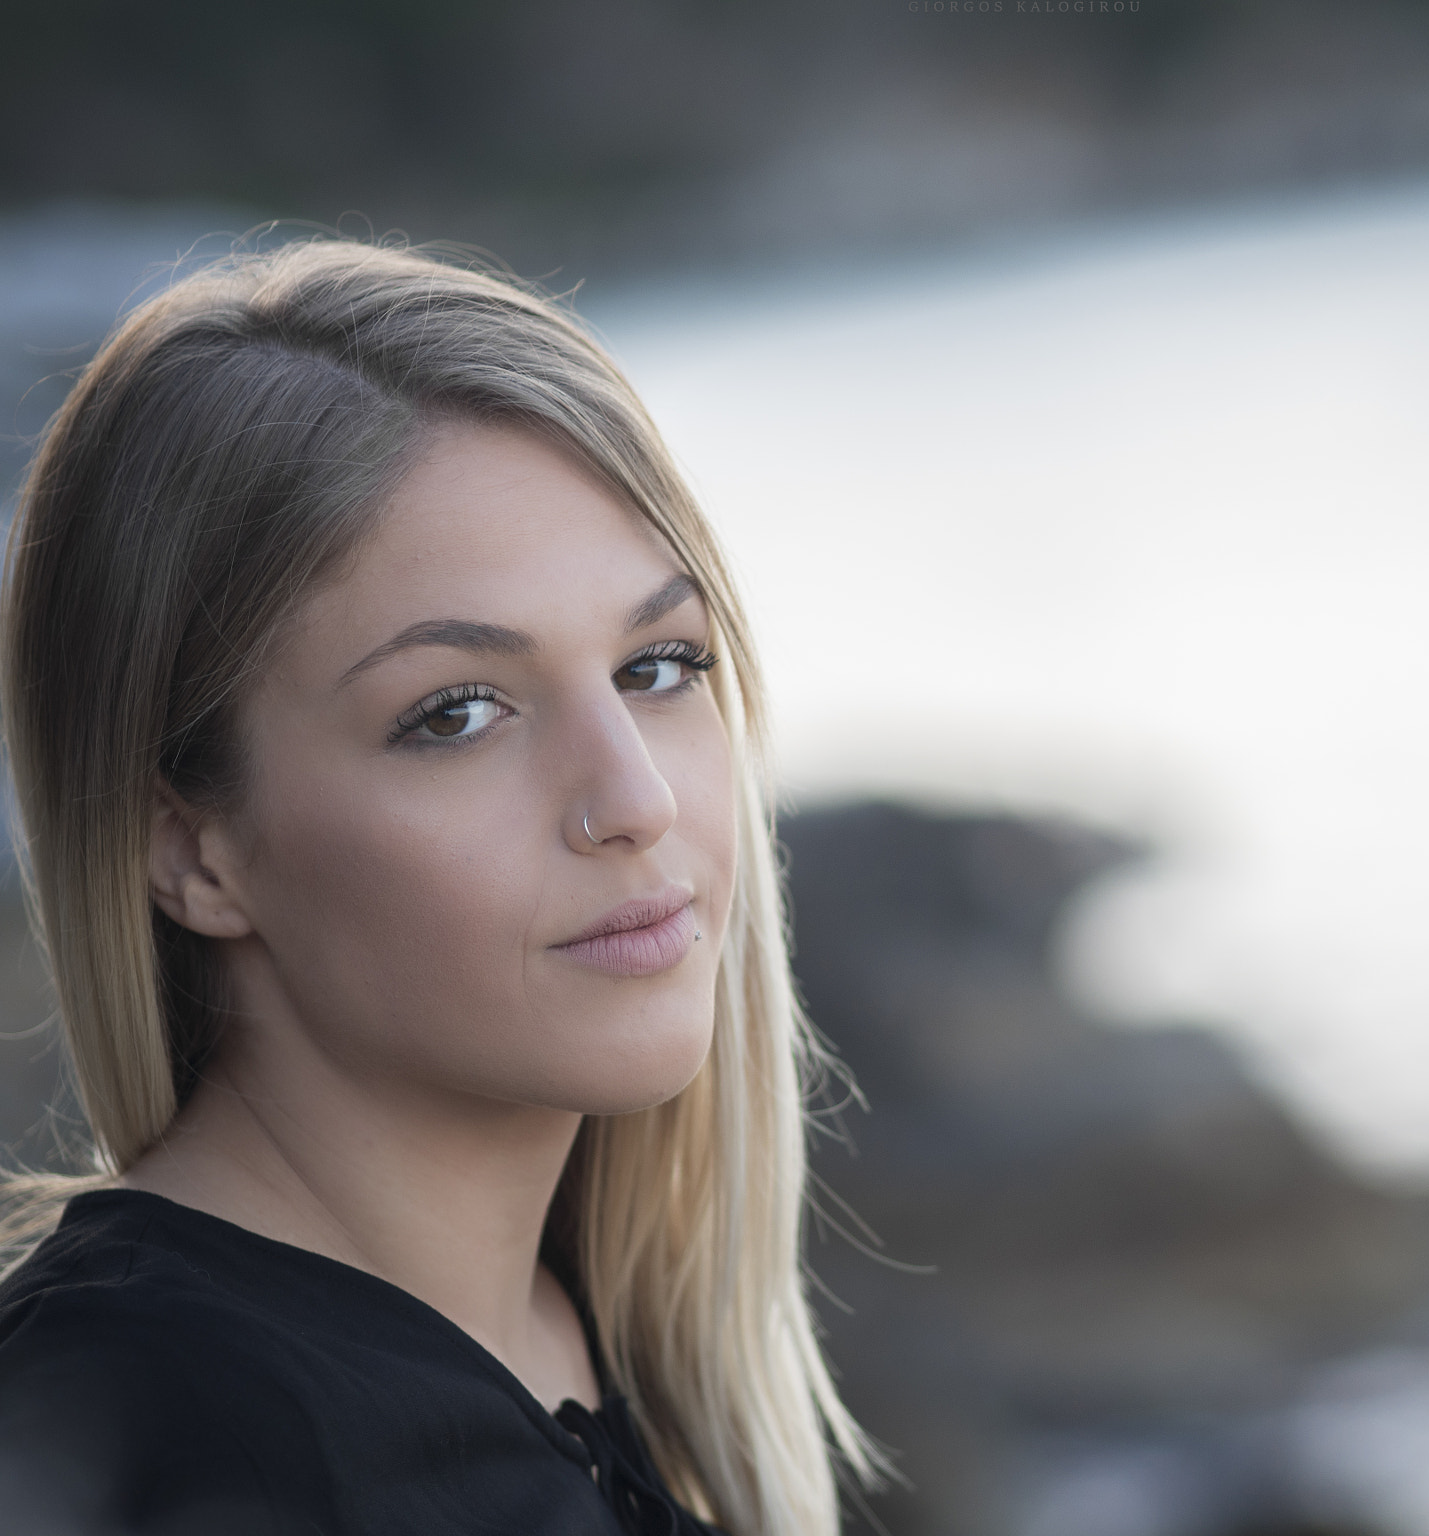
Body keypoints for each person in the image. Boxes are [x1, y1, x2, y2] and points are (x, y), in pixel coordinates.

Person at [0, 240, 874, 1535]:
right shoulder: (138, 1439)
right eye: (457, 712)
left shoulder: (573, 1337)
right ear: (190, 850)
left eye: (659, 665)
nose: (636, 800)